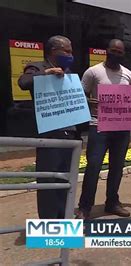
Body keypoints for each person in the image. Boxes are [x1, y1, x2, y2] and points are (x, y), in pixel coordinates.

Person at [76, 39, 131, 219]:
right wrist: (89, 101)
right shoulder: (93, 72)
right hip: (99, 126)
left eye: (120, 52)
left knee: (117, 167)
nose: (116, 54)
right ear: (107, 51)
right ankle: (84, 207)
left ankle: (112, 203)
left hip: (122, 127)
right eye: (113, 50)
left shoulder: (128, 74)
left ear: (123, 54)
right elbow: (78, 95)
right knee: (93, 166)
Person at [18, 35, 77, 219]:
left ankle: (63, 216)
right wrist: (45, 75)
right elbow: (23, 82)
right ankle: (48, 220)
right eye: (66, 51)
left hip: (69, 134)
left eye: (71, 51)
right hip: (49, 134)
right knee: (48, 179)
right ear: (53, 51)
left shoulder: (68, 72)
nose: (70, 54)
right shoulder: (38, 67)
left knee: (65, 178)